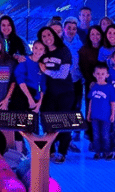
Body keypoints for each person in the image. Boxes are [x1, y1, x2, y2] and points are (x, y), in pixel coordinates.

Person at [37, 26, 74, 164]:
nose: (47, 38)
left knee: (64, 121)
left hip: (65, 92)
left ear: (54, 35)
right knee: (47, 122)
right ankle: (50, 150)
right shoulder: (43, 53)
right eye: (43, 36)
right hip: (48, 93)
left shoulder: (64, 51)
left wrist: (46, 71)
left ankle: (62, 151)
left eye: (49, 35)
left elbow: (63, 74)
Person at [78, 25, 103, 142]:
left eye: (97, 34)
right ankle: (91, 134)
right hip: (91, 84)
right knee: (91, 109)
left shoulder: (104, 49)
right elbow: (83, 68)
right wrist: (92, 81)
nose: (95, 36)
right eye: (92, 34)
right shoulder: (84, 50)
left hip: (104, 84)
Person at [86, 63, 115, 160]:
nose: (100, 76)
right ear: (94, 74)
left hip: (105, 116)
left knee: (105, 135)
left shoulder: (109, 87)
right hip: (95, 116)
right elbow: (91, 101)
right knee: (96, 135)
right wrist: (88, 113)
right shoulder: (94, 86)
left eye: (102, 74)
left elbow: (112, 102)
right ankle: (97, 152)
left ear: (107, 75)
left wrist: (113, 114)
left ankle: (106, 152)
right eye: (98, 74)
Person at [62, 16, 84, 148]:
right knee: (65, 108)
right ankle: (65, 137)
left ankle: (74, 132)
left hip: (76, 81)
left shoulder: (80, 44)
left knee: (76, 108)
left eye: (74, 28)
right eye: (69, 28)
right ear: (64, 28)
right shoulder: (59, 43)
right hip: (63, 82)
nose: (71, 30)